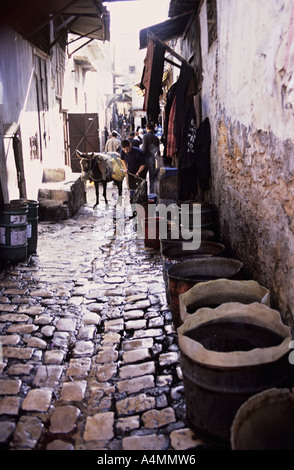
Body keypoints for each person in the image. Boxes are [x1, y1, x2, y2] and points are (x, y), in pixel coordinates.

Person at [141, 122, 160, 194]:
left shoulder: (145, 136)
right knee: (152, 178)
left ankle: (144, 193)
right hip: (152, 159)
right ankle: (152, 194)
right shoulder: (156, 138)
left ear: (147, 128)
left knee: (143, 178)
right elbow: (158, 152)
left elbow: (144, 149)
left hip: (145, 159)